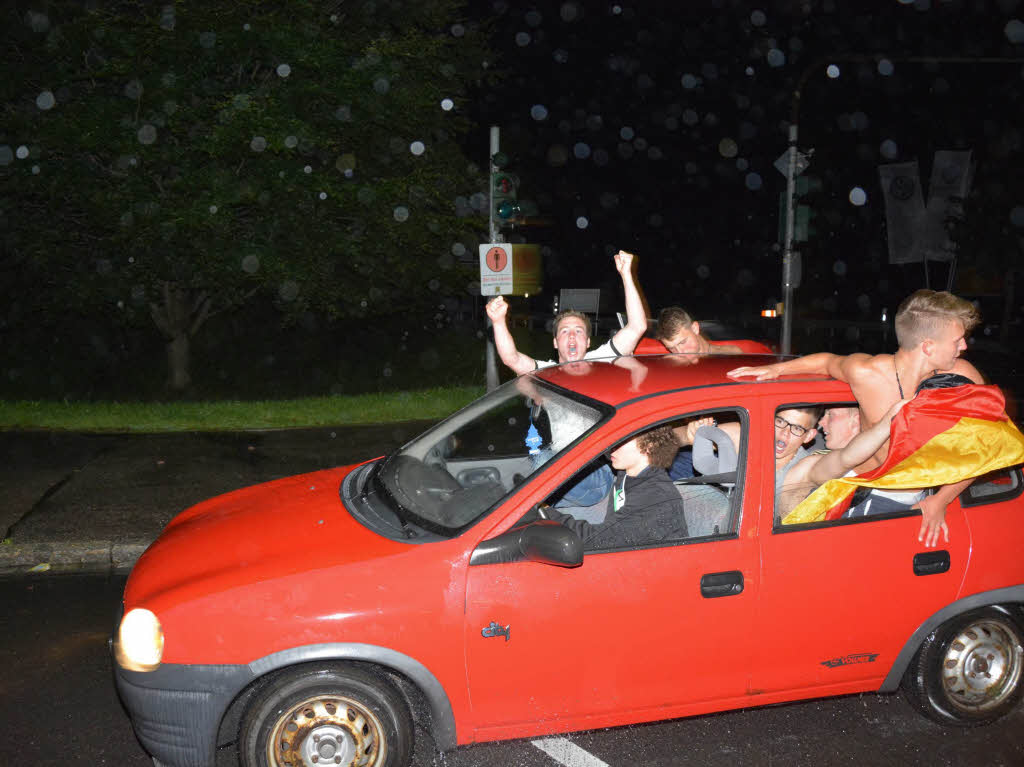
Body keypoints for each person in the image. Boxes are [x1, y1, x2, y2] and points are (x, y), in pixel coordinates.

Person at [728, 289, 983, 546]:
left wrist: (940, 500)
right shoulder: (868, 373)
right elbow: (827, 362)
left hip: (898, 496)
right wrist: (775, 369)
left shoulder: (962, 379)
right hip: (853, 477)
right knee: (789, 491)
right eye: (958, 340)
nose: (964, 346)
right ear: (928, 346)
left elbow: (988, 446)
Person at [486, 250, 647, 375]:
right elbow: (511, 359)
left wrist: (626, 274)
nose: (571, 336)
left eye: (578, 331)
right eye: (564, 331)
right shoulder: (545, 373)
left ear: (588, 342)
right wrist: (498, 321)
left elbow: (637, 327)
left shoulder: (602, 360)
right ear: (555, 342)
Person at [538, 425, 688, 549]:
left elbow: (594, 541)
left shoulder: (654, 499)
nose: (612, 447)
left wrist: (545, 512)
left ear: (649, 446)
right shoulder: (627, 474)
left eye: (622, 441)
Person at [777, 399, 909, 520]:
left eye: (796, 428)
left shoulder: (804, 467)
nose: (785, 433)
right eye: (780, 422)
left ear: (809, 436)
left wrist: (889, 420)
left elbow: (846, 458)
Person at [634, 306, 774, 355]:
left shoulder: (731, 354)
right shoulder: (669, 364)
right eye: (671, 348)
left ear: (695, 328)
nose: (680, 353)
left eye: (682, 342)